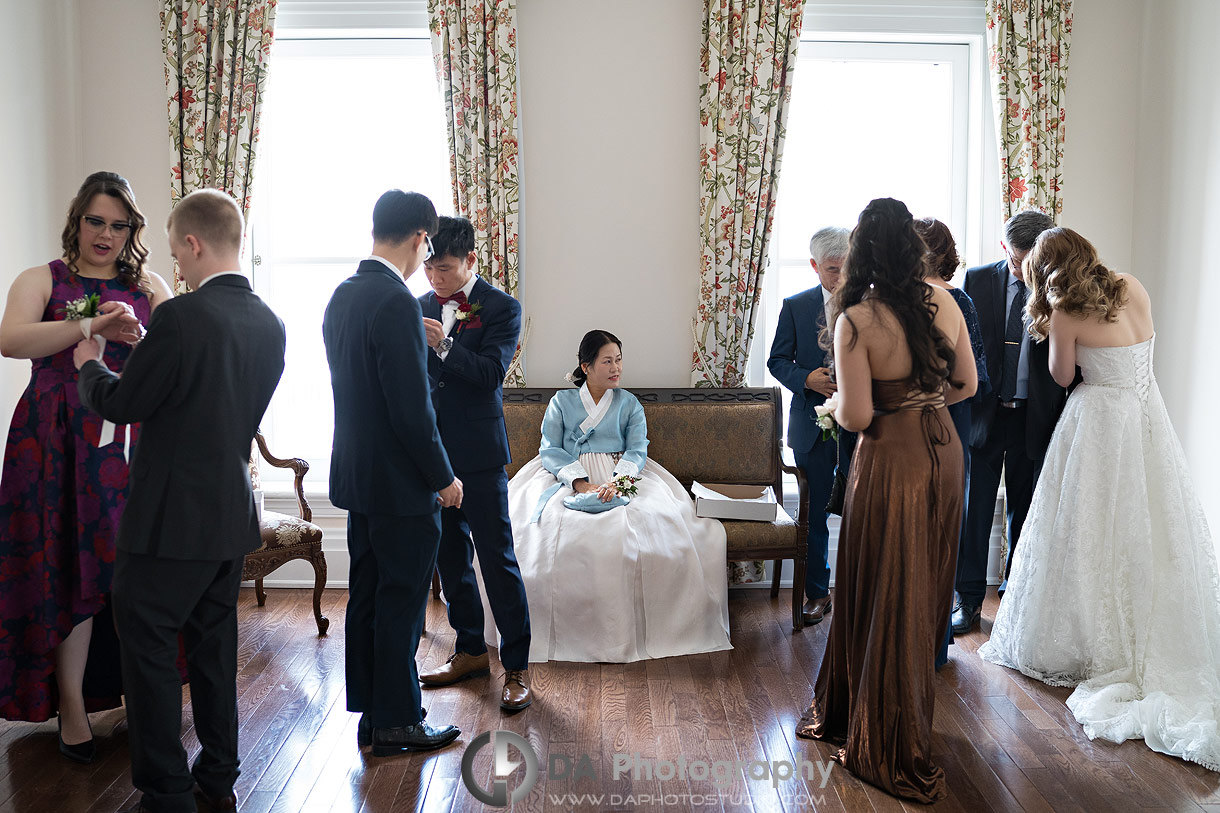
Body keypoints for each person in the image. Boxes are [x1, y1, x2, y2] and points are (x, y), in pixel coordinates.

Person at [74, 188, 284, 813]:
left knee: (148, 648)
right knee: (214, 650)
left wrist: (91, 364)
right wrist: (153, 359)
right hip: (228, 517)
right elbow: (215, 403)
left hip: (168, 524)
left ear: (193, 243)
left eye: (177, 255)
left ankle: (166, 791)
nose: (178, 268)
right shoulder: (269, 323)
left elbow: (122, 404)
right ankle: (217, 775)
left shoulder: (181, 318)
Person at [980, 228, 1220, 771]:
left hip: (1099, 423)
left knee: (1086, 531)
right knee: (1148, 527)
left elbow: (1063, 375)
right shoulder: (1132, 286)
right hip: (1145, 413)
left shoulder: (1064, 312)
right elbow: (1145, 346)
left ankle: (1084, 638)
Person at [796, 198, 976, 803]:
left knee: (878, 581)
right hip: (944, 454)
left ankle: (875, 725)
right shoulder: (944, 302)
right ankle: (906, 712)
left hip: (891, 457)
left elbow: (856, 414)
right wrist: (924, 404)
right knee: (923, 581)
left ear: (861, 252)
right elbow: (968, 385)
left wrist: (875, 406)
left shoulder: (856, 319)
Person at [0, 171, 173, 763]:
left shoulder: (149, 285)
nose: (106, 234)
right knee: (61, 567)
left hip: (127, 443)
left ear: (133, 231)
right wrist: (91, 324)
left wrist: (143, 339)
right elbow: (11, 340)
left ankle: (137, 698)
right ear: (77, 220)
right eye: (96, 221)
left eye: (119, 224)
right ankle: (70, 707)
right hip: (50, 442)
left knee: (131, 574)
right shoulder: (39, 278)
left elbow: (175, 358)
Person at [323, 190, 463, 756]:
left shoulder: (344, 295)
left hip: (358, 478)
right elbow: (411, 411)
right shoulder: (397, 303)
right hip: (402, 485)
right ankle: (400, 721)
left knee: (369, 598)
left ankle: (373, 714)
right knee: (402, 602)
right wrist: (443, 478)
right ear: (418, 239)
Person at [504, 330, 731, 663]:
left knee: (660, 527)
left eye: (619, 360)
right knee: (540, 532)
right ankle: (561, 631)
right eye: (607, 361)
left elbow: (638, 449)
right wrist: (579, 483)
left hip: (621, 472)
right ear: (586, 366)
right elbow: (550, 449)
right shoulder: (561, 403)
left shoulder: (629, 404)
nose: (616, 368)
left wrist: (620, 483)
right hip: (566, 473)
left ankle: (640, 629)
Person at [415, 215, 533, 711]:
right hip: (434, 457)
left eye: (444, 268)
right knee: (450, 559)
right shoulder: (416, 306)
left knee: (497, 559)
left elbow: (488, 375)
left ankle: (518, 668)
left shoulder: (503, 308)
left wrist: (442, 343)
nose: (434, 278)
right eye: (428, 268)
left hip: (481, 457)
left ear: (471, 261)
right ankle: (468, 651)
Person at [954, 209, 1067, 634]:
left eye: (1031, 260)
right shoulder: (977, 281)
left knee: (1025, 511)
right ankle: (966, 602)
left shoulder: (1059, 288)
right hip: (984, 415)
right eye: (1017, 259)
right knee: (975, 511)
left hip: (1032, 418)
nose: (1023, 269)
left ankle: (1014, 597)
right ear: (1005, 248)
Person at [912, 217, 990, 668]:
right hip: (951, 418)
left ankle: (931, 639)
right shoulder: (957, 300)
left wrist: (917, 400)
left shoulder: (949, 300)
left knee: (936, 527)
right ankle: (934, 641)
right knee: (942, 529)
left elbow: (970, 376)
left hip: (943, 418)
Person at [767, 226, 849, 626]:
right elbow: (776, 360)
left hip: (863, 425)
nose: (841, 276)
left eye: (849, 266)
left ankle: (858, 594)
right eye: (834, 269)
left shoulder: (871, 305)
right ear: (816, 266)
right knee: (814, 513)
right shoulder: (796, 306)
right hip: (812, 427)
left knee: (863, 512)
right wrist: (806, 379)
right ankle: (818, 593)